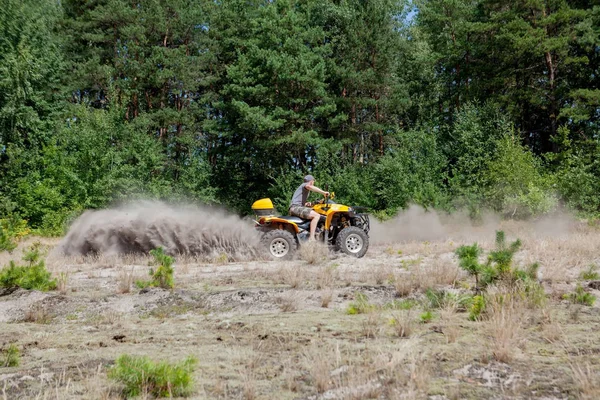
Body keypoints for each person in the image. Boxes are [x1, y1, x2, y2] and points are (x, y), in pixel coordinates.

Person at [289, 175, 329, 240]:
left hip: (296, 207)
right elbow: (309, 186)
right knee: (316, 216)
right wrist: (323, 192)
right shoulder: (305, 185)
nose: (313, 183)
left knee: (313, 213)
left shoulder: (302, 188)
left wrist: (311, 203)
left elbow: (301, 202)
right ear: (311, 181)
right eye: (313, 182)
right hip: (295, 208)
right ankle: (312, 238)